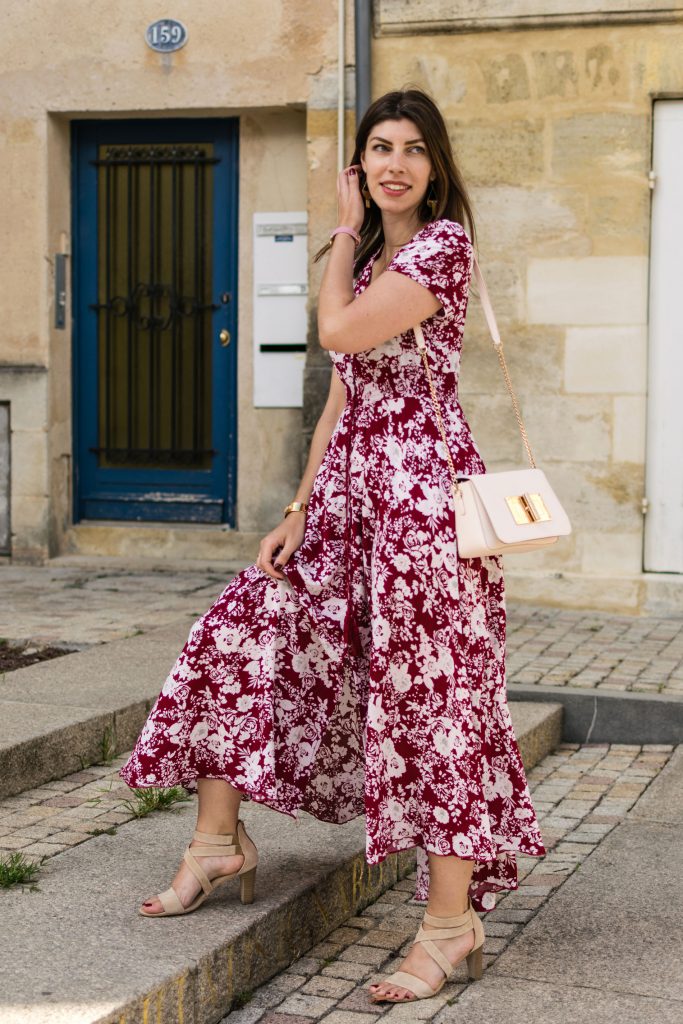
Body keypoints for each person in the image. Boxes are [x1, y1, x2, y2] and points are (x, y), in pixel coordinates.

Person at [119, 87, 546, 1004]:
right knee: (241, 629)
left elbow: (336, 334)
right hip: (348, 500)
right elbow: (342, 397)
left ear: (435, 170)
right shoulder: (373, 262)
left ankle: (446, 926)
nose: (394, 162)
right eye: (379, 147)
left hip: (420, 511)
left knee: (431, 706)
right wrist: (299, 507)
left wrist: (343, 232)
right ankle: (217, 845)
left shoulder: (440, 246)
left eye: (412, 149)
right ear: (361, 161)